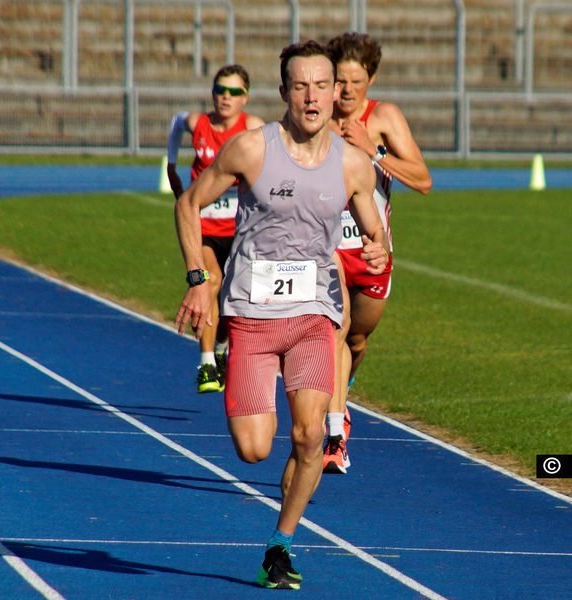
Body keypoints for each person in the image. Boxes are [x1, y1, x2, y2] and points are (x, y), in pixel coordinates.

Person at [174, 41, 389, 589]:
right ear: (284, 93)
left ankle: (281, 543)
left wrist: (377, 249)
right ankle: (280, 502)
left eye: (323, 85)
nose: (314, 96)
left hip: (315, 314)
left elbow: (374, 232)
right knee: (253, 450)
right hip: (250, 314)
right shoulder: (251, 149)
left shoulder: (352, 163)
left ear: (335, 93)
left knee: (310, 438)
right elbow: (188, 205)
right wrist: (199, 278)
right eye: (301, 86)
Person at [322, 32, 432, 474]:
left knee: (358, 339)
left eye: (355, 81)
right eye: (340, 81)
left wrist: (375, 149)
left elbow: (423, 180)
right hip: (328, 249)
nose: (346, 91)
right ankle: (335, 431)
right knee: (336, 329)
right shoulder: (315, 115)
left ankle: (342, 391)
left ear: (371, 79)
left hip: (373, 254)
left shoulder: (384, 117)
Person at [167, 64, 264, 393]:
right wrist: (171, 166)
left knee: (233, 297)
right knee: (211, 281)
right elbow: (176, 121)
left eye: (234, 92)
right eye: (220, 90)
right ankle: (207, 364)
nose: (226, 97)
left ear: (245, 98)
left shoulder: (253, 128)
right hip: (204, 224)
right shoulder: (199, 123)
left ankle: (221, 349)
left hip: (239, 230)